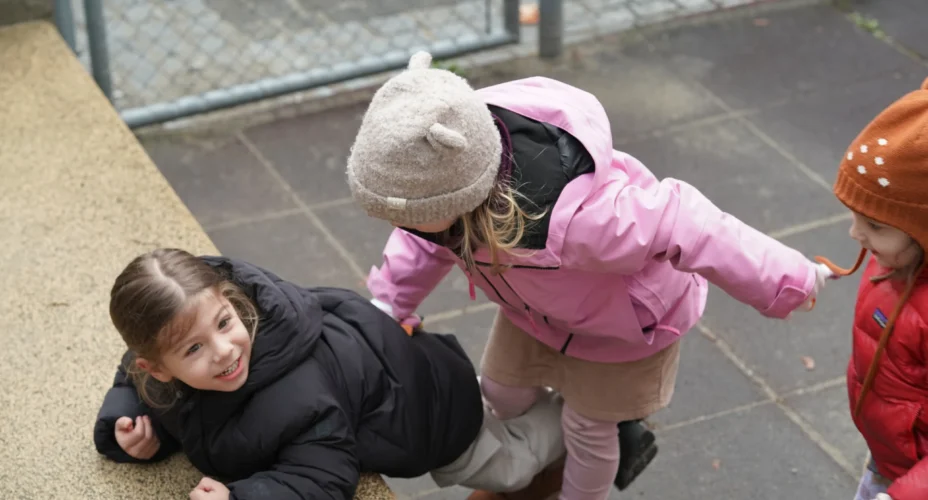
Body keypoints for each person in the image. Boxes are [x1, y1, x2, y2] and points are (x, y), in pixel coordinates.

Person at [346, 51, 832, 500]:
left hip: (621, 330)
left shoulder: (590, 220)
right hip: (532, 314)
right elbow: (422, 241)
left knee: (588, 428)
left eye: (405, 214)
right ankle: (540, 464)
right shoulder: (443, 192)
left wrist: (789, 280)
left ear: (457, 197)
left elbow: (693, 223)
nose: (399, 224)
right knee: (501, 393)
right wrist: (388, 305)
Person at [93, 248, 572, 500]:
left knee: (510, 465)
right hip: (385, 373)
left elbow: (324, 480)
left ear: (231, 301)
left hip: (434, 413)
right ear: (157, 367)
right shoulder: (165, 352)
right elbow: (133, 379)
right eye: (194, 348)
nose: (223, 351)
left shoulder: (301, 399)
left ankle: (571, 419)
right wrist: (131, 424)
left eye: (224, 323)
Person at [814, 79, 928, 500]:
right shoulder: (897, 259)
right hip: (892, 455)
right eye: (856, 216)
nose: (855, 234)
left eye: (875, 225)